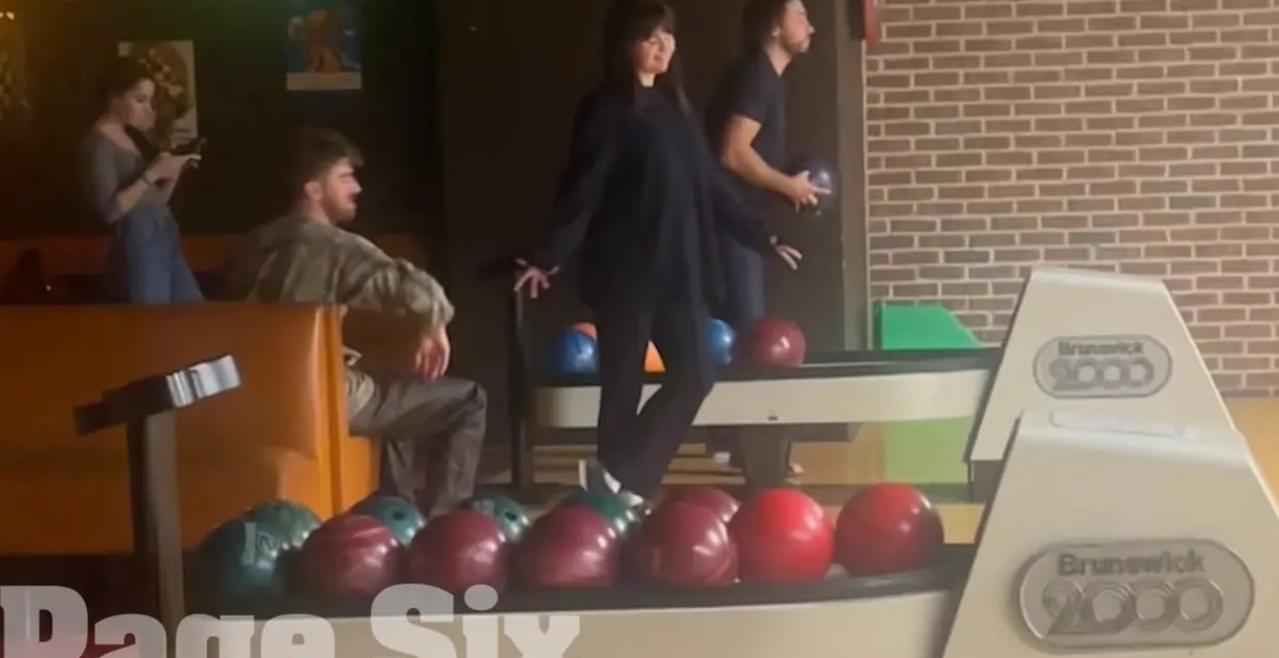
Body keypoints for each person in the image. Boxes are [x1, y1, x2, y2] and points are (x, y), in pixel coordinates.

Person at [514, 0, 802, 504]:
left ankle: (619, 476)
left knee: (696, 374)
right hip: (626, 273)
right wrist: (549, 254)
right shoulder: (606, 109)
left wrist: (761, 235)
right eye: (651, 36)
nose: (663, 45)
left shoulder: (677, 112)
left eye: (668, 36)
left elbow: (712, 187)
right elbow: (583, 190)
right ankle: (621, 498)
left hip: (680, 273)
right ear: (626, 45)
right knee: (621, 388)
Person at [223, 128, 486, 517]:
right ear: (313, 189)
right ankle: (442, 529)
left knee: (398, 385)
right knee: (469, 400)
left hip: (253, 397)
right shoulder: (334, 247)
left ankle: (396, 513)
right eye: (345, 177)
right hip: (326, 396)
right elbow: (412, 287)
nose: (357, 187)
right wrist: (433, 323)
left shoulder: (252, 245)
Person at [703, 0, 822, 477]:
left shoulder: (764, 79)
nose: (810, 24)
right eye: (800, 15)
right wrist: (789, 186)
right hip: (726, 227)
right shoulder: (755, 76)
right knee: (751, 338)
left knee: (743, 335)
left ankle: (733, 448)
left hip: (738, 226)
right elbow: (731, 153)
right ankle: (753, 460)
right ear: (774, 26)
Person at [83, 56, 204, 304]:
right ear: (114, 98)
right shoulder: (98, 144)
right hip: (139, 242)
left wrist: (173, 173)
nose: (147, 108)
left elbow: (154, 204)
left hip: (164, 232)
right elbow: (109, 212)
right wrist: (152, 174)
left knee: (195, 315)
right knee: (152, 324)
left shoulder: (130, 136)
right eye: (139, 100)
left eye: (149, 100)